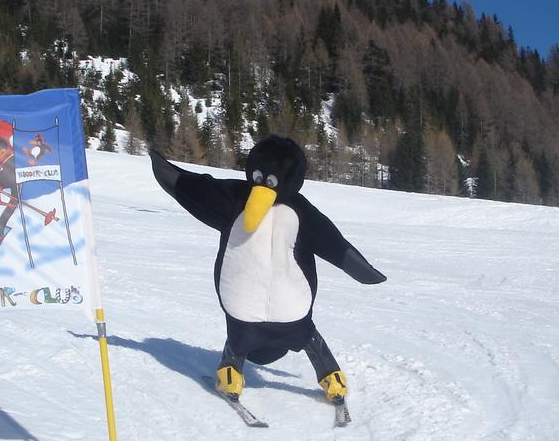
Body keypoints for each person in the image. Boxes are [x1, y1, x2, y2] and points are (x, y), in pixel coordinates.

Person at [150, 135, 385, 407]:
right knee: (297, 334)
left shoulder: (282, 208)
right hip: (268, 308)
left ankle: (234, 372)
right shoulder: (239, 200)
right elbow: (198, 190)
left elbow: (332, 243)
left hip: (270, 307)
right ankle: (330, 377)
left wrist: (361, 269)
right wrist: (171, 175)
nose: (262, 185)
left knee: (270, 333)